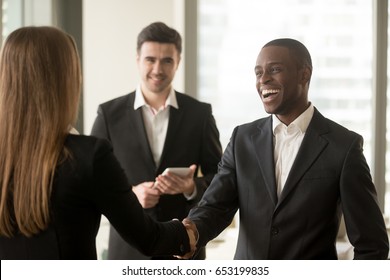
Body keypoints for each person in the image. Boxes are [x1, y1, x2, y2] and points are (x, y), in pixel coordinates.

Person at [183, 38, 389, 259]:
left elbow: (372, 245)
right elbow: (215, 207)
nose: (263, 79)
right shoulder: (241, 139)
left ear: (304, 74)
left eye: (275, 69)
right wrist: (191, 232)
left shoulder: (344, 147)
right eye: (258, 72)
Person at [0, 26, 195, 260]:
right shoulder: (87, 156)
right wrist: (187, 233)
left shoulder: (197, 113)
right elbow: (149, 238)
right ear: (67, 80)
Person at [90, 21, 222, 260]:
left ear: (178, 62)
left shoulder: (200, 114)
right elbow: (91, 183)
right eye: (151, 59)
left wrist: (191, 187)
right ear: (137, 59)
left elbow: (222, 179)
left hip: (184, 249)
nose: (158, 69)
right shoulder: (109, 114)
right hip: (127, 252)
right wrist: (129, 196)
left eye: (167, 61)